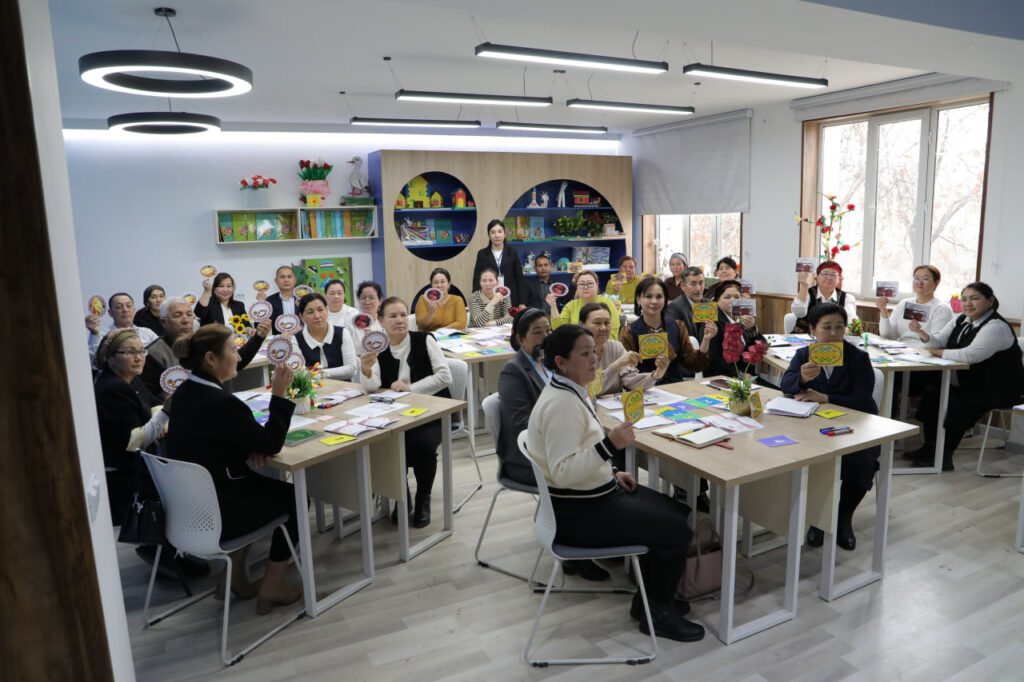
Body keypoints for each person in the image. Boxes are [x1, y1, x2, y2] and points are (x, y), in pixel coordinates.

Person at [525, 325, 705, 643]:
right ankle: (658, 615)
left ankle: (649, 600)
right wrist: (610, 446)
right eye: (585, 354)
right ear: (561, 362)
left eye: (593, 352)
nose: (594, 359)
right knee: (677, 531)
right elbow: (563, 471)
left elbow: (579, 452)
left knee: (676, 513)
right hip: (578, 513)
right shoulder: (561, 404)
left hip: (590, 496)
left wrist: (611, 472)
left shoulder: (570, 390)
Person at [165, 325, 303, 613]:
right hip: (221, 511)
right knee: (295, 499)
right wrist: (279, 394)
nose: (239, 357)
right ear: (211, 359)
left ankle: (234, 576)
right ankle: (274, 584)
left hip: (189, 508)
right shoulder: (222, 403)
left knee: (257, 488)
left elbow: (210, 440)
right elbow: (272, 443)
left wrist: (248, 445)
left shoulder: (185, 392)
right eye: (232, 351)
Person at [781, 303, 879, 550]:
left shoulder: (858, 357)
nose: (834, 333)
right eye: (826, 327)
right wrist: (802, 378)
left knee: (862, 462)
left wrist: (826, 398)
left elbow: (863, 399)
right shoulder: (804, 355)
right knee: (808, 460)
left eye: (839, 327)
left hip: (855, 427)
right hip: (813, 428)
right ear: (813, 330)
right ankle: (818, 518)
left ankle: (843, 516)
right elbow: (786, 384)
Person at [906, 282, 1024, 471]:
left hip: (999, 387)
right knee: (932, 391)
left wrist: (936, 352)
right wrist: (922, 334)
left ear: (990, 301)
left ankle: (944, 456)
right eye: (964, 299)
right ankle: (929, 448)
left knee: (957, 401)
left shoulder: (996, 326)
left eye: (975, 298)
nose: (968, 303)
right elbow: (940, 340)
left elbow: (970, 355)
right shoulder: (961, 319)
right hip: (971, 380)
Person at [359, 297, 453, 527]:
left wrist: (411, 388)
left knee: (422, 444)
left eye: (403, 315)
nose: (399, 320)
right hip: (396, 414)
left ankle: (423, 498)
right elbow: (372, 386)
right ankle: (402, 496)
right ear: (381, 321)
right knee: (386, 443)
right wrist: (366, 369)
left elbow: (445, 377)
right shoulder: (377, 346)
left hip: (431, 412)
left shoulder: (424, 340)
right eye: (392, 316)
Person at [93, 329, 168, 525]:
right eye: (130, 352)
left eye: (142, 351)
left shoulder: (130, 378)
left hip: (139, 466)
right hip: (126, 477)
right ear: (110, 358)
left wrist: (158, 419)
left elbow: (153, 402)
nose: (139, 357)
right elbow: (134, 442)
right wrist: (164, 415)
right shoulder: (112, 389)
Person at [141, 297, 271, 399]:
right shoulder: (153, 353)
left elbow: (235, 362)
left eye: (189, 314)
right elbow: (147, 396)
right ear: (163, 322)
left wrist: (258, 337)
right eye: (177, 315)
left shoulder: (201, 341)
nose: (185, 320)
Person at [619, 277, 712, 385]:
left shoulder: (677, 326)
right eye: (648, 296)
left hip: (674, 387)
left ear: (665, 300)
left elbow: (694, 365)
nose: (654, 301)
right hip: (644, 389)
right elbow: (626, 375)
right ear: (638, 299)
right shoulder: (629, 332)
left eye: (659, 297)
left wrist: (706, 340)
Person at [580, 301, 664, 395]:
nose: (603, 328)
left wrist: (656, 375)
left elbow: (630, 380)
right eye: (597, 323)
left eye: (607, 323)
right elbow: (587, 389)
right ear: (581, 325)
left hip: (612, 403)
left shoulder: (616, 347)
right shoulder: (574, 352)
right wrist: (616, 366)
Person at [876, 265, 954, 345]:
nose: (919, 282)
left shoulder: (942, 308)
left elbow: (938, 344)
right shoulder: (903, 304)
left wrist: (920, 332)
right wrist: (883, 312)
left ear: (936, 283)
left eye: (925, 279)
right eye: (916, 278)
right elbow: (888, 336)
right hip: (900, 348)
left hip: (924, 350)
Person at [705, 280, 766, 378]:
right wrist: (740, 375)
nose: (732, 301)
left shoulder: (741, 318)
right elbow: (713, 359)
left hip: (746, 374)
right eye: (727, 297)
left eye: (737, 297)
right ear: (717, 300)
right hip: (724, 377)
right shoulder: (712, 323)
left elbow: (762, 346)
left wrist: (751, 329)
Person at [291, 293, 358, 379]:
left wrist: (321, 373)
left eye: (320, 310)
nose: (317, 316)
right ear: (301, 316)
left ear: (326, 310)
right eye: (310, 312)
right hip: (311, 387)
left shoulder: (342, 333)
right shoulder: (296, 340)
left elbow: (352, 369)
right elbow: (299, 372)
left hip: (343, 386)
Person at [792, 260, 858, 333]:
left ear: (839, 279)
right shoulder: (806, 293)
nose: (829, 278)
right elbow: (799, 313)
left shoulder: (846, 298)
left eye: (833, 275)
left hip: (833, 337)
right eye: (825, 274)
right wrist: (804, 286)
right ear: (817, 277)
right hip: (803, 337)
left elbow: (852, 322)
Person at [86, 292, 159, 358]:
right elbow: (95, 360)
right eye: (119, 307)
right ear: (110, 313)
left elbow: (162, 353)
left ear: (134, 310)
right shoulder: (103, 335)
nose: (125, 310)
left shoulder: (147, 333)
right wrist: (94, 334)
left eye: (128, 306)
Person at [552, 270, 621, 339]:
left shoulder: (608, 303)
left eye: (590, 283)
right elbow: (559, 330)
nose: (585, 287)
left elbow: (613, 333)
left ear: (597, 285)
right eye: (581, 284)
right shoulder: (570, 305)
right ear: (577, 287)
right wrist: (553, 305)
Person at [472, 218, 526, 307]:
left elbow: (519, 278)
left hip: (511, 297)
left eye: (500, 232)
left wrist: (522, 302)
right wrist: (475, 302)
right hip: (489, 298)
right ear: (489, 236)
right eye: (493, 232)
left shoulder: (512, 252)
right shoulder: (482, 254)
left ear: (504, 234)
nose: (497, 235)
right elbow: (477, 279)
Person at [414, 267, 467, 332]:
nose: (439, 285)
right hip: (428, 336)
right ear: (431, 285)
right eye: (435, 282)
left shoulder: (457, 300)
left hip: (449, 335)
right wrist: (430, 313)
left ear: (449, 284)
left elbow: (461, 323)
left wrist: (442, 330)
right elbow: (420, 325)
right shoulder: (423, 299)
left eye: (443, 282)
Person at [665, 266, 707, 342]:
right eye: (693, 284)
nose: (698, 288)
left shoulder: (710, 305)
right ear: (683, 286)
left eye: (701, 283)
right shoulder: (674, 308)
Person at [347, 280, 385, 346]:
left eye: (371, 298)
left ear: (380, 301)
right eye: (363, 298)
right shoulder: (350, 323)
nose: (367, 302)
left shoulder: (385, 323)